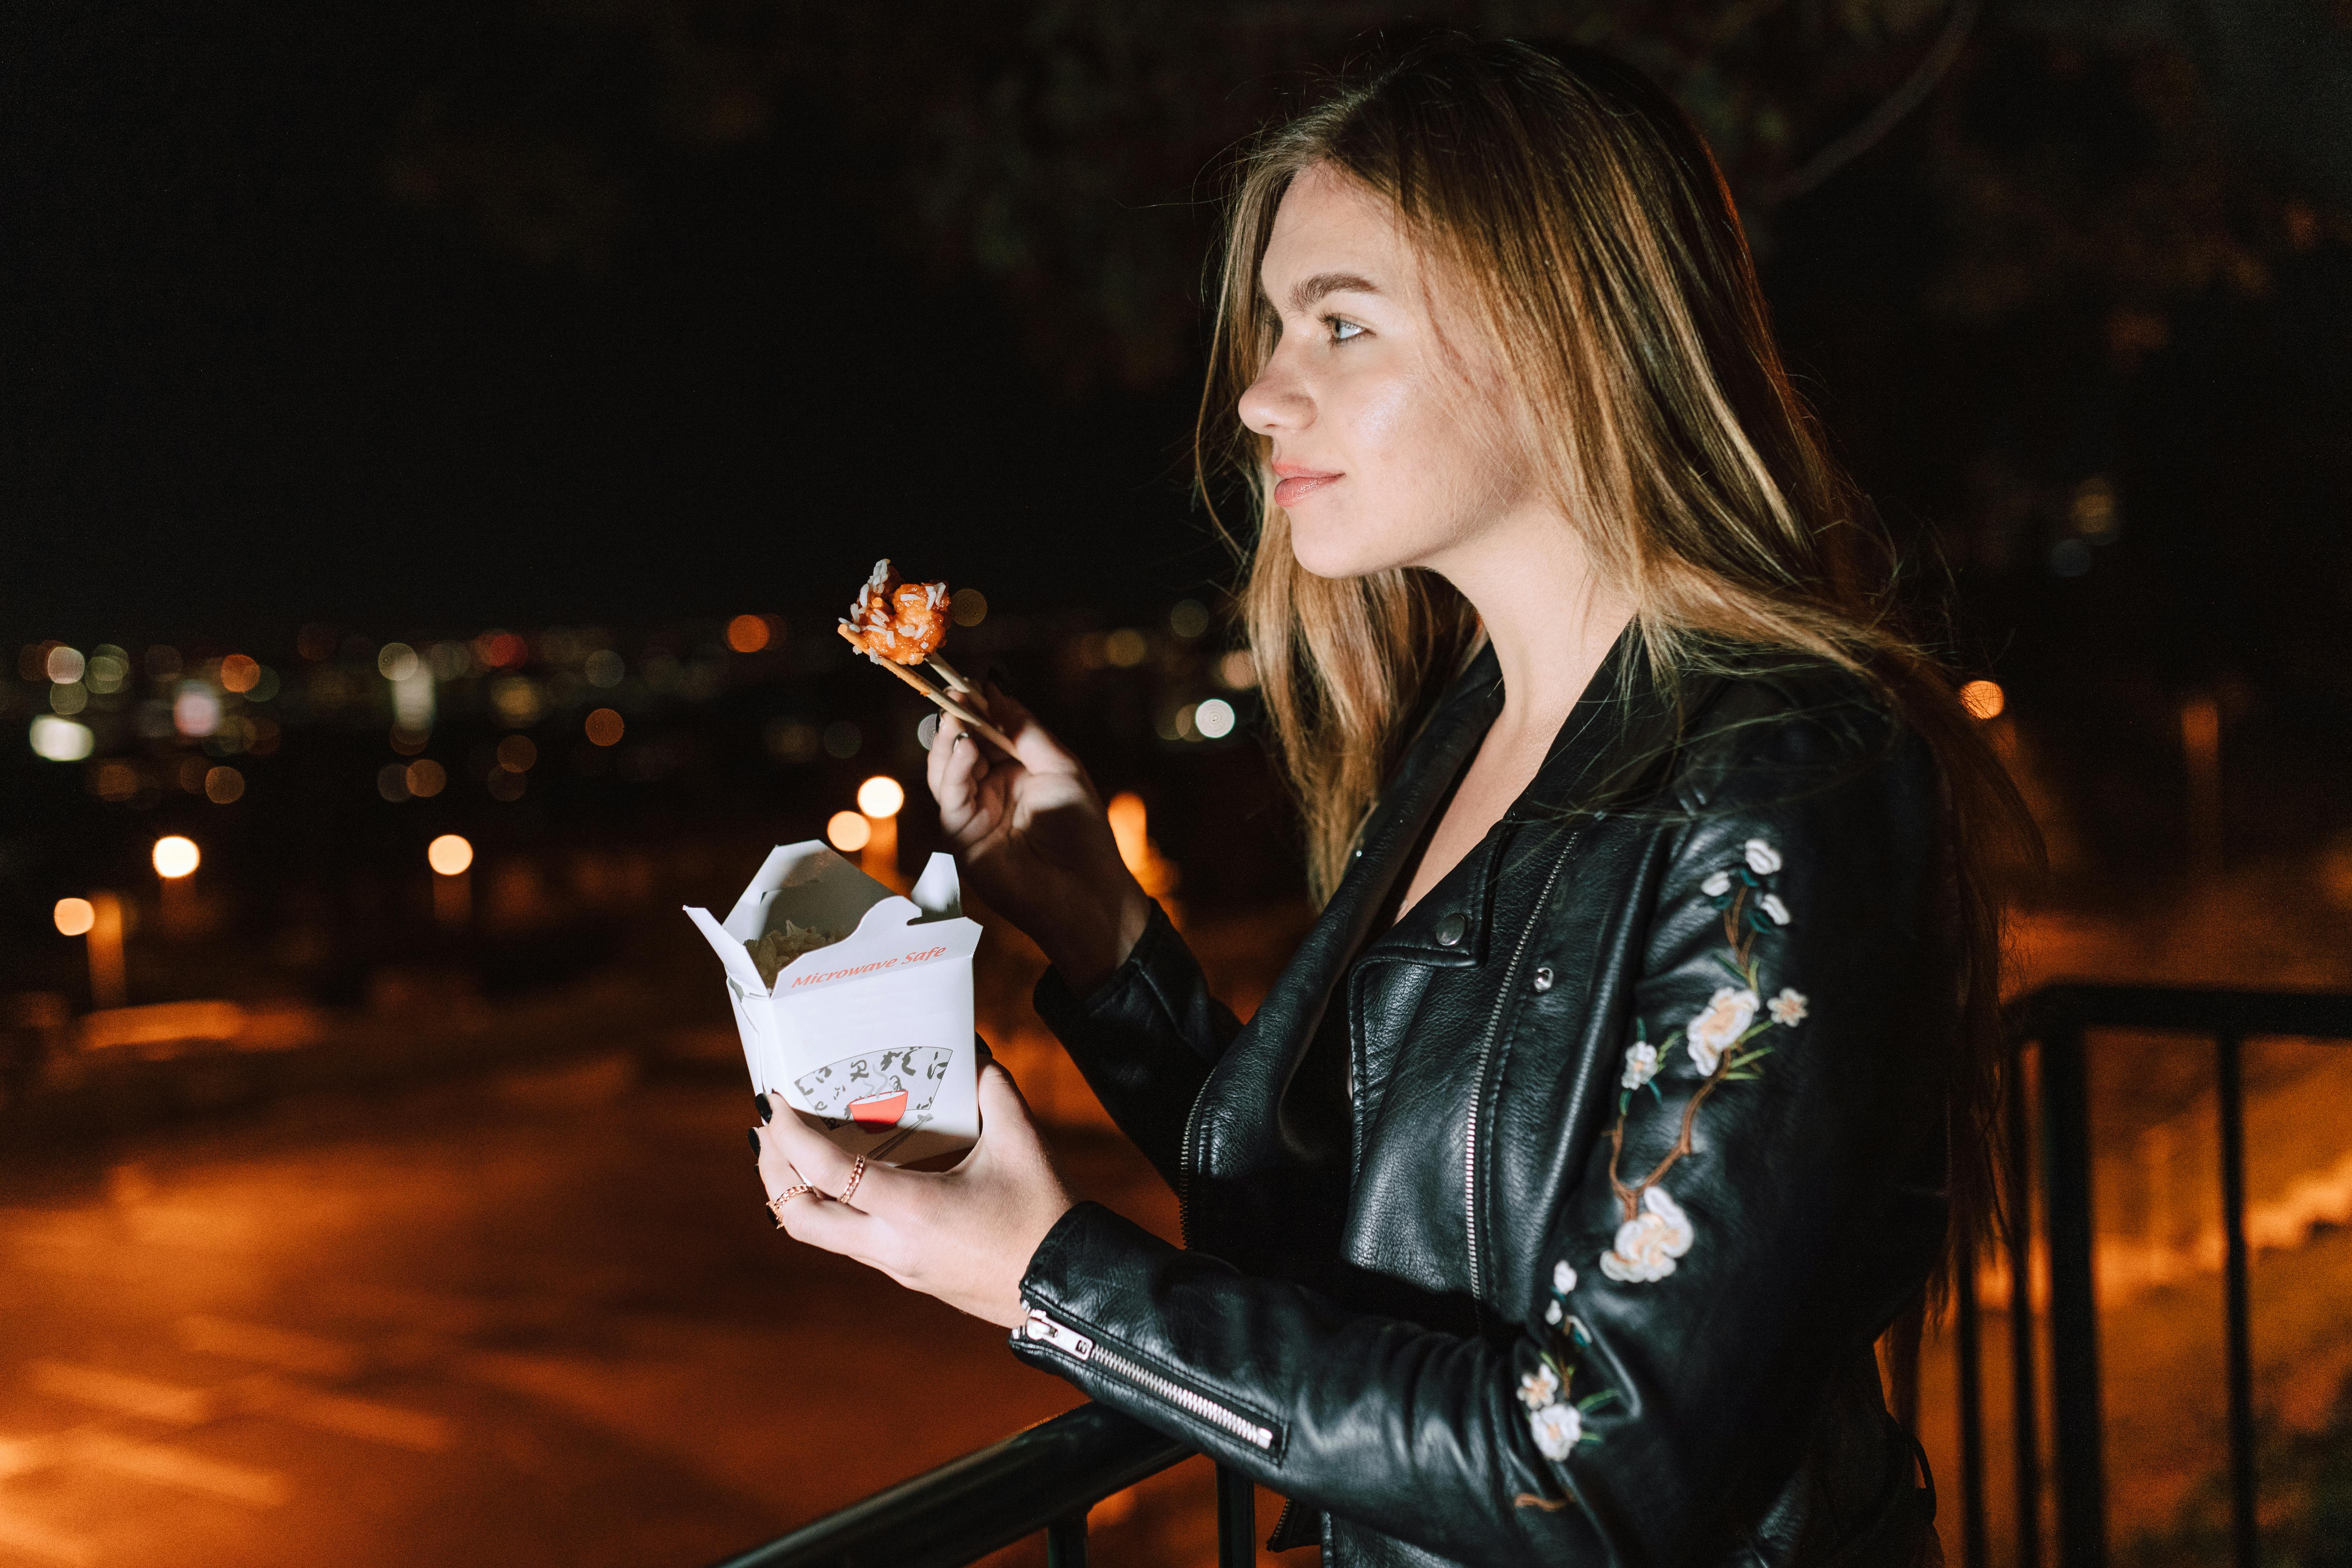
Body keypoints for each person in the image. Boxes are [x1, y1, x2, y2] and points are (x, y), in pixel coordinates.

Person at [749, 34, 2031, 1567]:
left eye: (1340, 324)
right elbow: (1369, 1244)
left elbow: (1597, 1470)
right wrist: (1106, 941)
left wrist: (1045, 1272)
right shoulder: (1472, 730)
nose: (1260, 397)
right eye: (1276, 326)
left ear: (1566, 334)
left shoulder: (1787, 774)